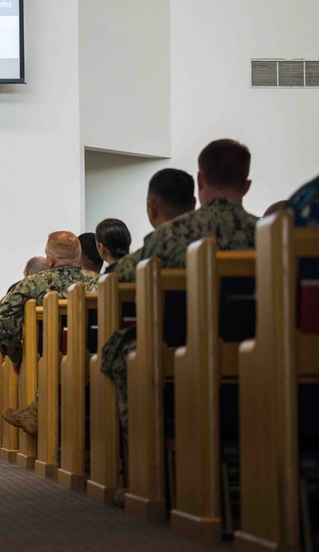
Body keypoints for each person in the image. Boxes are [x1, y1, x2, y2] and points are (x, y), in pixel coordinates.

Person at [101, 142, 257, 473]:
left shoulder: (170, 236)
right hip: (262, 357)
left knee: (120, 349)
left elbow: (119, 278)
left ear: (200, 183)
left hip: (180, 352)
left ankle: (147, 472)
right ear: (246, 185)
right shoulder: (269, 234)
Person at [0, 231, 99, 435]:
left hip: (51, 355)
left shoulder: (33, 284)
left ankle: (36, 414)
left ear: (50, 260)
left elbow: (2, 321)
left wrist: (16, 355)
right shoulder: (100, 281)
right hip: (95, 354)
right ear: (79, 257)